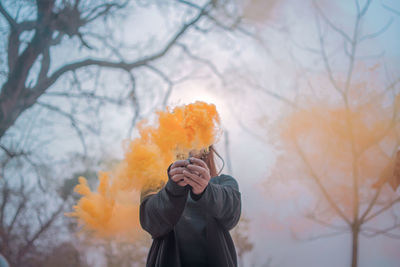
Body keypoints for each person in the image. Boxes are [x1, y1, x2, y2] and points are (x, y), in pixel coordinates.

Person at [139, 145, 242, 267]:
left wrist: (206, 190)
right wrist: (172, 189)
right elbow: (150, 222)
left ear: (206, 150)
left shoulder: (224, 182)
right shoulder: (154, 183)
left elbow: (231, 214)